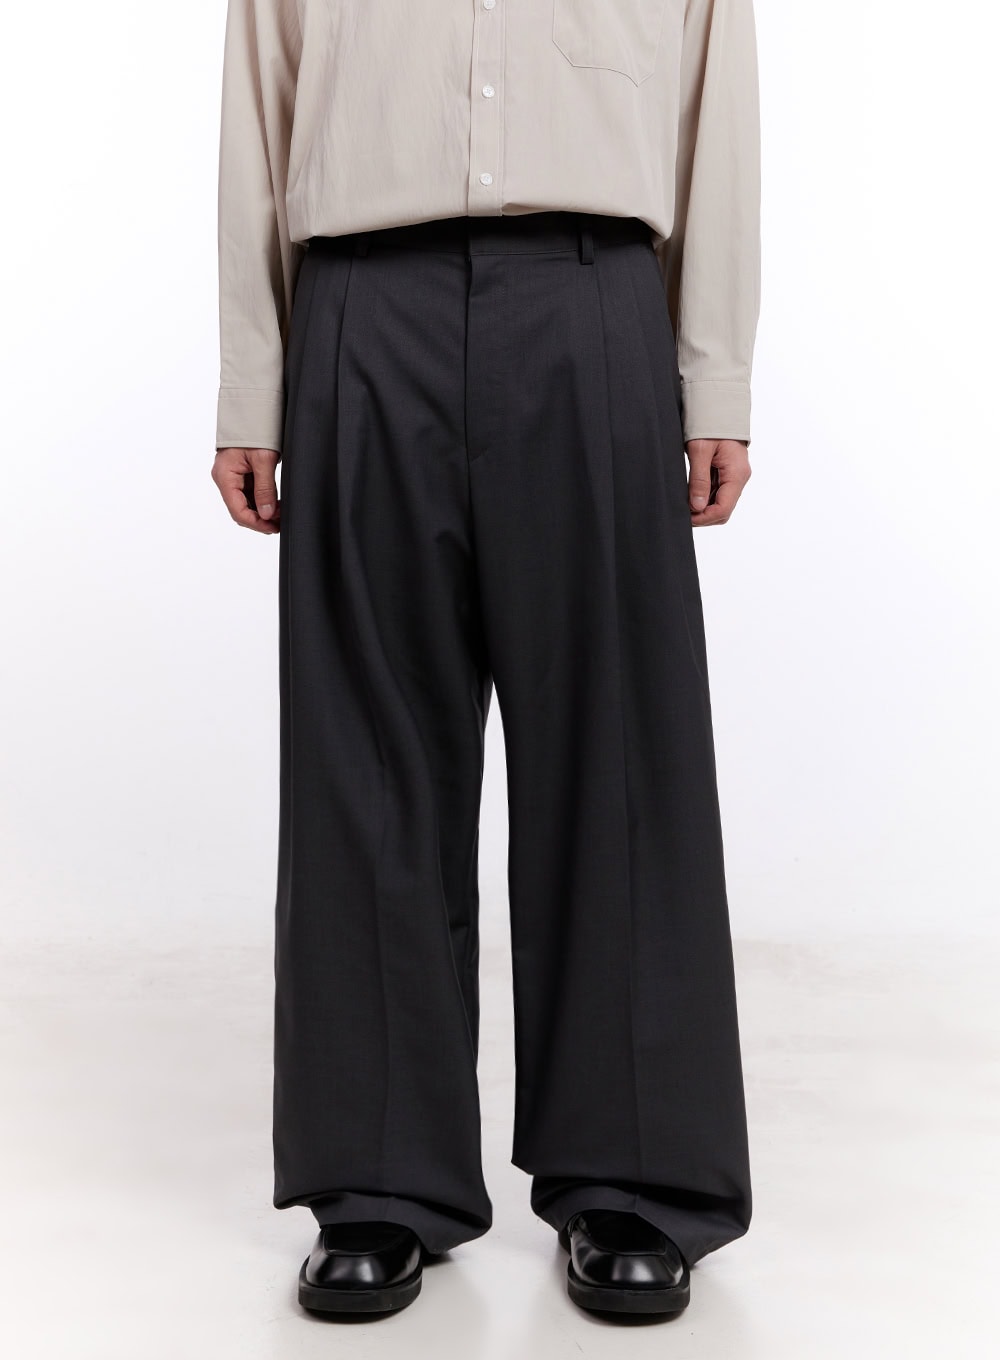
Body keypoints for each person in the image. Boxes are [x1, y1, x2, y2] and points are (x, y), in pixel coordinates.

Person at [210, 0, 760, 1322]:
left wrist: (716, 377)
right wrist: (252, 384)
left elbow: (716, 119)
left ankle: (635, 1175)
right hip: (362, 300)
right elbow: (259, 111)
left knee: (618, 751)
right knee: (366, 753)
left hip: (593, 297)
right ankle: (377, 1180)